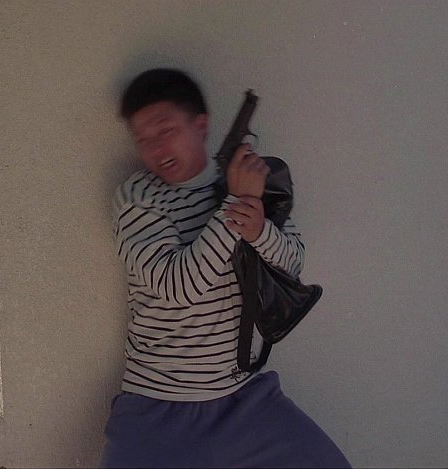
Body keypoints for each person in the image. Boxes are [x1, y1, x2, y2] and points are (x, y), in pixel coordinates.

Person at [101, 68, 350, 468]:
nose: (156, 147)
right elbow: (178, 286)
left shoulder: (249, 179)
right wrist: (234, 208)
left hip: (245, 400)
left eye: (166, 129)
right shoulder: (137, 197)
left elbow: (293, 262)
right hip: (160, 408)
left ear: (201, 126)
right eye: (143, 139)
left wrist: (258, 230)